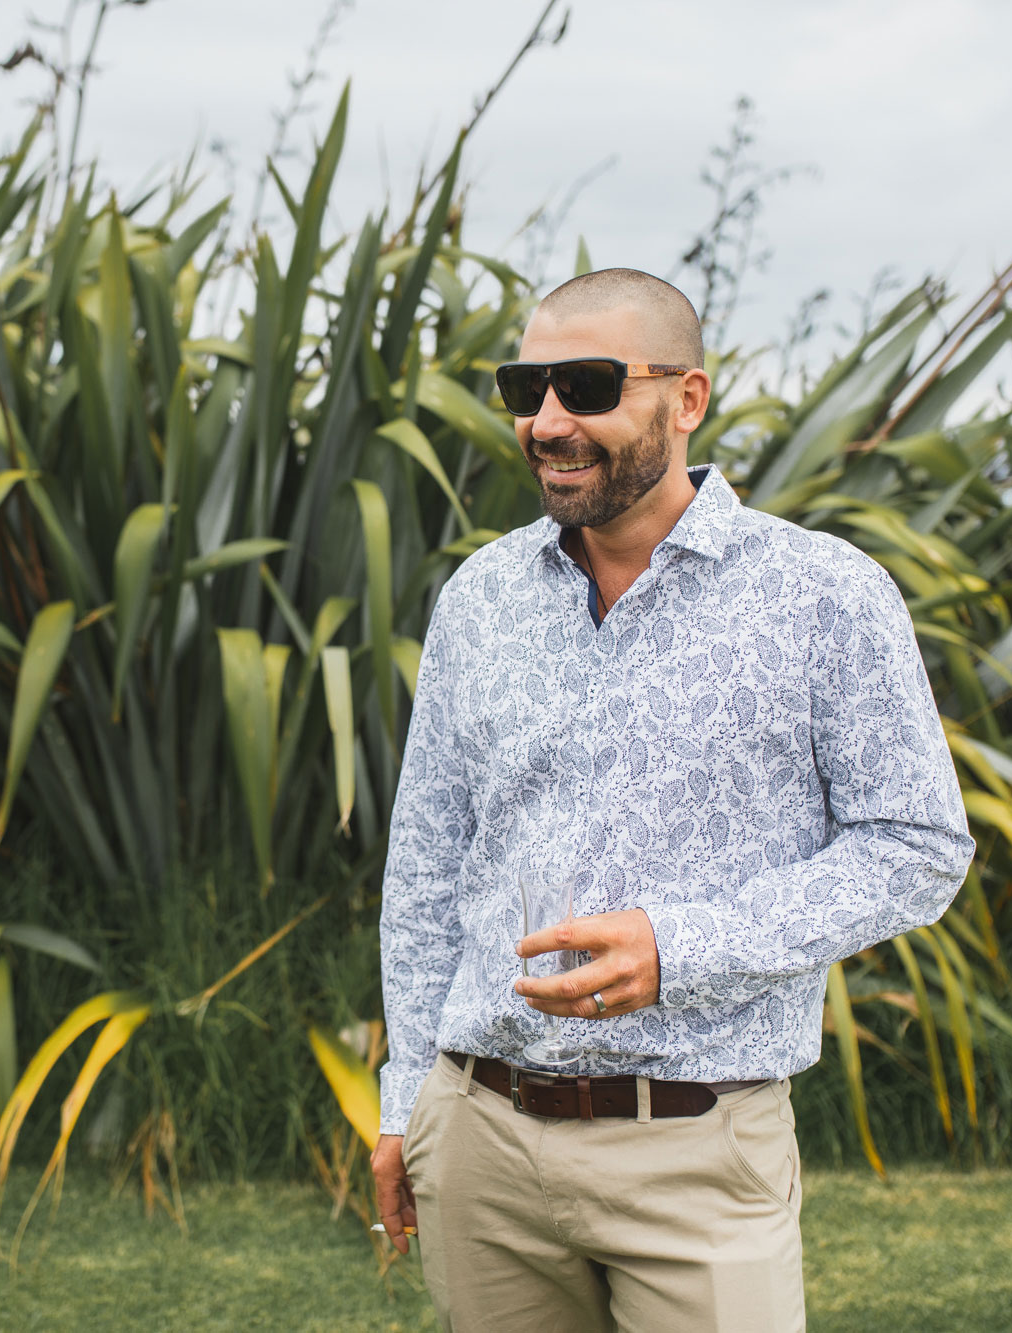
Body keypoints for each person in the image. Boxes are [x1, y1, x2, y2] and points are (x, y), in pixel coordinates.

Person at [372, 268, 973, 1330]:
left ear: (685, 399)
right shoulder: (479, 599)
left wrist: (678, 945)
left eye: (588, 385)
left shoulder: (823, 594)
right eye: (526, 387)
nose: (547, 421)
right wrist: (404, 1104)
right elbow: (426, 866)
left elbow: (915, 844)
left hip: (699, 1148)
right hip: (476, 1138)